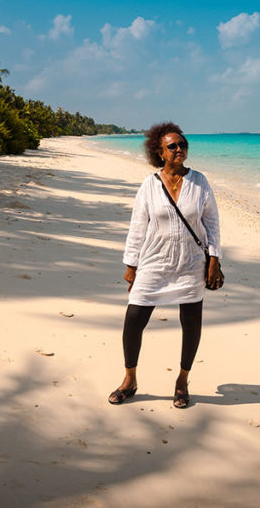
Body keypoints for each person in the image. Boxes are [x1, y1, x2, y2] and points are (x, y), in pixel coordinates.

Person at [109, 122, 222, 409]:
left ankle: (182, 380)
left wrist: (214, 259)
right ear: (160, 153)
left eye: (183, 144)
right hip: (154, 262)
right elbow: (138, 227)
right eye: (172, 146)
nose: (179, 149)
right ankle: (129, 379)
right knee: (134, 320)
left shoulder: (200, 182)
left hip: (190, 264)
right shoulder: (149, 185)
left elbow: (211, 223)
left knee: (191, 323)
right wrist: (131, 265)